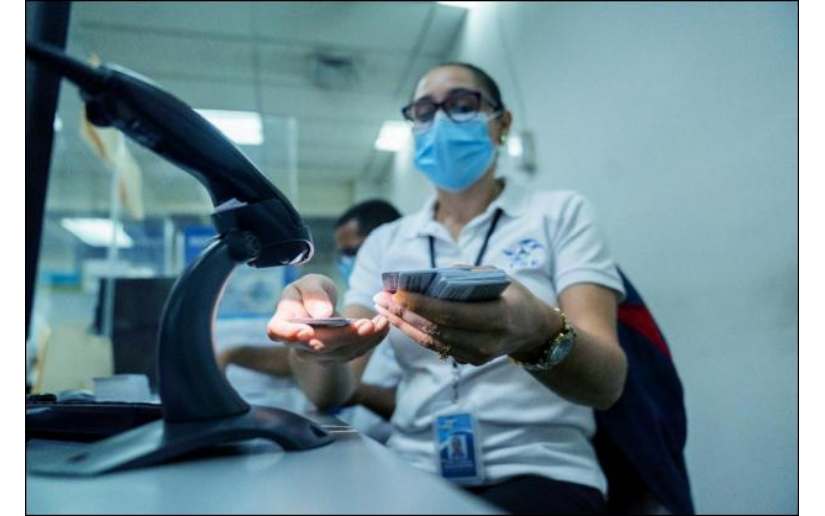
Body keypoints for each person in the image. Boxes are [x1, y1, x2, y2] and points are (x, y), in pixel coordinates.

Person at [268, 62, 627, 515]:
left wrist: (537, 332)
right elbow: (330, 392)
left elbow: (607, 383)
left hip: (541, 468)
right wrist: (314, 337)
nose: (439, 122)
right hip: (412, 466)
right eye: (423, 111)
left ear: (502, 123)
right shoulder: (386, 242)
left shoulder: (559, 215)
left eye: (461, 105)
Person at [217, 199, 402, 441]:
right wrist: (236, 354)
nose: (344, 260)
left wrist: (351, 389)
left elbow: (344, 370)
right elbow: (320, 355)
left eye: (351, 252)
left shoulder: (401, 311)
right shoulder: (364, 299)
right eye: (341, 253)